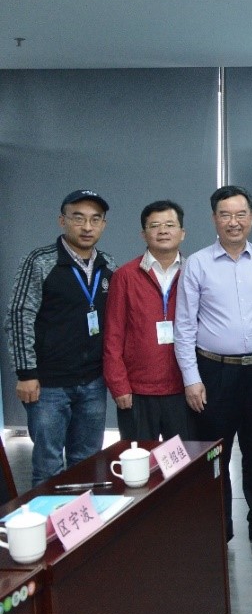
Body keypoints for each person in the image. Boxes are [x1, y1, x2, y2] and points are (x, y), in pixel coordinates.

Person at [174, 185, 252, 546]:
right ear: (214, 219)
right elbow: (184, 326)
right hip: (215, 373)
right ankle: (218, 530)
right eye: (225, 215)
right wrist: (191, 379)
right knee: (216, 455)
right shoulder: (197, 264)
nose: (234, 222)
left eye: (240, 214)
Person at [6, 190, 117, 485]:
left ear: (104, 224)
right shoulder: (41, 261)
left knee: (87, 464)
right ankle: (49, 517)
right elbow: (19, 316)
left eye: (95, 219)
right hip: (48, 385)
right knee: (48, 466)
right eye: (78, 218)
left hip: (93, 382)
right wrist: (26, 373)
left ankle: (83, 516)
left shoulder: (108, 264)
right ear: (62, 221)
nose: (87, 227)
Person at [104, 200, 192, 441]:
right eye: (154, 226)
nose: (163, 231)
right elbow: (113, 336)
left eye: (170, 225)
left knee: (184, 459)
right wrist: (119, 385)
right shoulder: (125, 276)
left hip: (184, 389)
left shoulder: (195, 273)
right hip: (137, 392)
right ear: (143, 234)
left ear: (182, 233)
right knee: (140, 460)